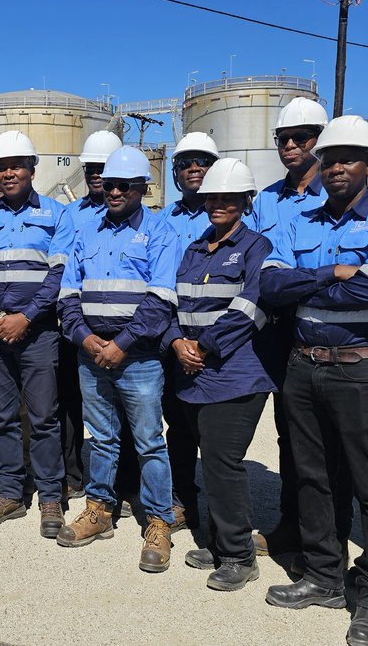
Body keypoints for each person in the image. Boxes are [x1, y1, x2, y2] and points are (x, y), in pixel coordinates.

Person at [260, 116, 368, 646]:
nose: (337, 167)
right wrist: (333, 273)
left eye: (349, 158)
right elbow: (271, 285)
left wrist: (308, 288)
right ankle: (324, 577)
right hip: (304, 367)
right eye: (329, 159)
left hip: (364, 369)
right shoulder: (298, 218)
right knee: (313, 477)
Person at [55, 146, 179, 572]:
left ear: (143, 187)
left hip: (138, 357)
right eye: (109, 184)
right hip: (92, 354)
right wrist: (86, 339)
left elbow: (162, 299)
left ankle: (159, 520)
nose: (114, 191)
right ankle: (100, 511)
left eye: (124, 185)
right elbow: (68, 294)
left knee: (148, 441)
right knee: (102, 437)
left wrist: (122, 343)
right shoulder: (86, 231)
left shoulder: (161, 232)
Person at [246, 98, 353, 561]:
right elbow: (255, 265)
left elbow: (348, 270)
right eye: (283, 139)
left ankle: (330, 537)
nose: (290, 145)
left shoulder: (337, 194)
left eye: (302, 138)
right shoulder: (265, 200)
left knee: (329, 439)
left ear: (320, 141)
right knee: (291, 433)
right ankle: (292, 525)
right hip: (274, 328)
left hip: (322, 327)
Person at [167, 158, 277, 591]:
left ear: (246, 202)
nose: (218, 204)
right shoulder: (195, 249)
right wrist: (177, 342)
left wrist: (204, 345)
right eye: (212, 197)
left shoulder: (256, 248)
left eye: (228, 198)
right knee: (210, 462)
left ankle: (238, 555)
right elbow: (173, 302)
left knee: (222, 461)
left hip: (236, 373)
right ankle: (219, 540)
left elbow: (252, 307)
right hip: (192, 371)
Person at [0, 130, 72, 537]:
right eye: (1, 168)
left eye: (15, 167)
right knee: (3, 416)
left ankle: (49, 497)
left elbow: (60, 274)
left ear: (32, 169)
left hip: (38, 332)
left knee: (44, 417)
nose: (7, 174)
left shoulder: (57, 215)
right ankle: (9, 492)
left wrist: (25, 316)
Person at [148, 131, 222, 531]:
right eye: (185, 163)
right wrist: (175, 338)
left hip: (219, 339)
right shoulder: (163, 221)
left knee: (214, 430)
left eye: (202, 161)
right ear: (175, 172)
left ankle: (225, 513)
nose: (194, 168)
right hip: (171, 335)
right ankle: (183, 501)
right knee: (176, 423)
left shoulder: (237, 214)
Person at [58, 130, 124, 499]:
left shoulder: (137, 217)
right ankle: (73, 474)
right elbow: (65, 268)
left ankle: (123, 482)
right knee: (71, 402)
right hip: (78, 326)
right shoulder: (72, 214)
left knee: (124, 409)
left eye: (103, 167)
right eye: (90, 168)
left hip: (121, 329)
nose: (96, 174)